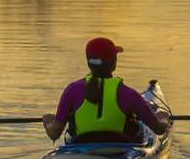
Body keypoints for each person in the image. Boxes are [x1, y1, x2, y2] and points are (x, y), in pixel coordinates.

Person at [43, 37, 171, 145]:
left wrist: (48, 122)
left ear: (88, 63)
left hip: (81, 150)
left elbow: (54, 134)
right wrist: (164, 119)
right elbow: (159, 130)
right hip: (121, 152)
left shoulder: (71, 90)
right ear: (114, 63)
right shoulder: (129, 94)